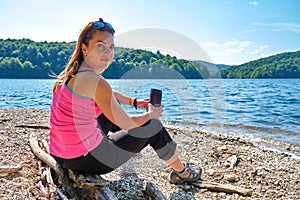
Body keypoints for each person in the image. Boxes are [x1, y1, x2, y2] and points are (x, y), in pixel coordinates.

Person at [49, 18, 201, 184]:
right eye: (100, 46)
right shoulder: (96, 81)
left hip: (60, 153)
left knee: (110, 112)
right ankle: (182, 172)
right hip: (86, 160)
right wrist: (151, 115)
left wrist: (134, 102)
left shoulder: (71, 74)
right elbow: (127, 123)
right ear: (85, 48)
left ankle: (129, 143)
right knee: (154, 128)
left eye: (111, 47)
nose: (108, 52)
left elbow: (109, 95)